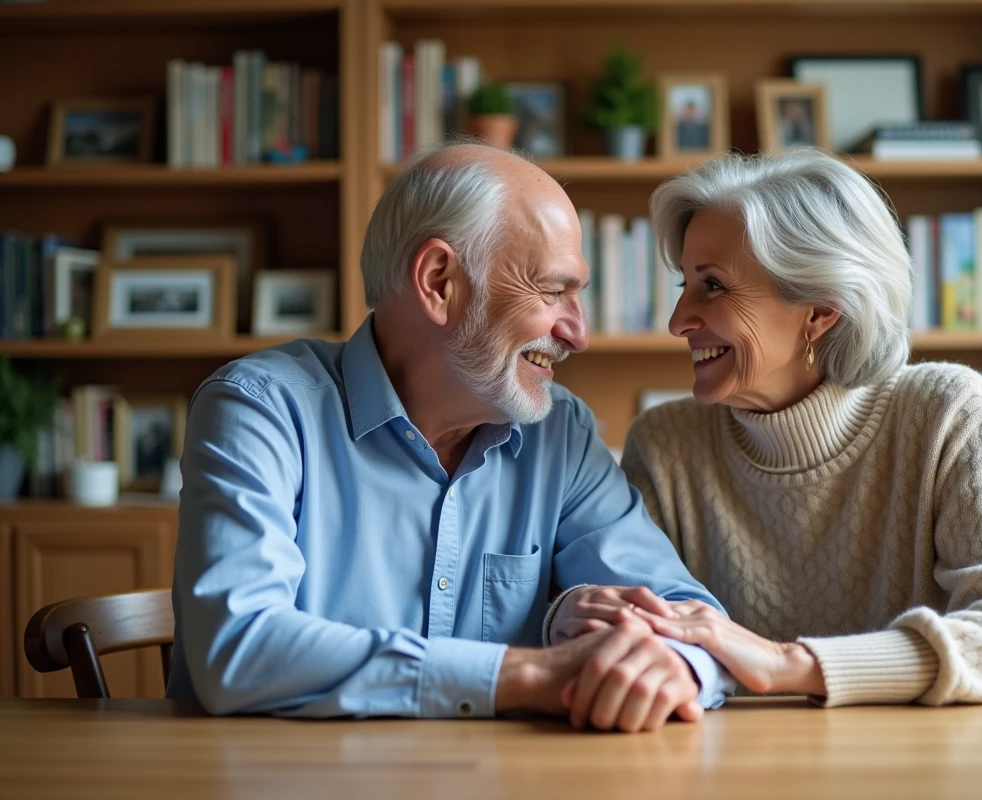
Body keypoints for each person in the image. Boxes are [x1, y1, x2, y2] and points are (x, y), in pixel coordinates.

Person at [166, 143, 734, 731]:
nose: (578, 332)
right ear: (439, 282)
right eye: (552, 290)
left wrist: (675, 666)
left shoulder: (560, 434)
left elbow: (696, 626)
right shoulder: (262, 408)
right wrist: (531, 675)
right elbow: (237, 647)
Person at [549, 150, 982, 707]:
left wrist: (786, 664)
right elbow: (647, 638)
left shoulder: (944, 412)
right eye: (684, 284)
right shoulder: (665, 443)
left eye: (714, 286)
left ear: (820, 312)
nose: (679, 321)